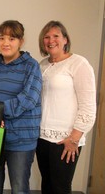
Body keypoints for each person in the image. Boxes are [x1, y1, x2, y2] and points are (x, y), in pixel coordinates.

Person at [0, 20, 42, 194]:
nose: (5, 43)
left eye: (12, 38)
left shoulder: (31, 66)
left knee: (19, 188)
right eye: (1, 38)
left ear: (21, 41)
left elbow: (27, 100)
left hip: (20, 140)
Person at [36, 20, 96, 194]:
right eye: (46, 37)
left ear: (65, 40)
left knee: (60, 187)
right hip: (42, 137)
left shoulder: (79, 63)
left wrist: (74, 138)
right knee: (46, 184)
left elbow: (88, 106)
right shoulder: (42, 65)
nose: (51, 40)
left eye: (56, 36)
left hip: (66, 139)